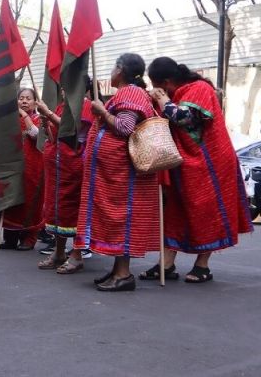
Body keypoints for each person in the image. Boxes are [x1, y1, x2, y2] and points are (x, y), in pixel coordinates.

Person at [145, 57, 253, 283]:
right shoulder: (175, 94)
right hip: (180, 165)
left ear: (166, 81)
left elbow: (184, 118)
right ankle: (166, 264)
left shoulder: (199, 89)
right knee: (173, 212)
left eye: (157, 85)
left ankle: (202, 266)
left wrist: (164, 102)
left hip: (211, 164)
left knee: (208, 212)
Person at [75, 53, 159, 292]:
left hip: (124, 177)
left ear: (120, 70)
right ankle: (116, 270)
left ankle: (123, 274)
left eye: (113, 66)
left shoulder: (131, 92)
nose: (110, 72)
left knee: (122, 218)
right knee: (114, 219)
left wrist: (102, 112)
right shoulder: (128, 93)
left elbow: (125, 127)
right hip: (112, 174)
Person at [36, 77, 94, 273]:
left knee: (75, 209)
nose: (63, 91)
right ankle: (59, 252)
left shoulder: (86, 106)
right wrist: (47, 124)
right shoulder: (62, 107)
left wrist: (49, 113)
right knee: (56, 208)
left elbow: (72, 132)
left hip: (74, 168)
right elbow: (56, 136)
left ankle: (76, 255)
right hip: (57, 169)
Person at [0, 87, 44, 250]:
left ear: (35, 102)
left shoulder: (39, 118)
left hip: (32, 169)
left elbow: (36, 135)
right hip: (11, 167)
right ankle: (10, 238)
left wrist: (24, 115)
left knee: (28, 202)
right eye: (21, 98)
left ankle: (29, 239)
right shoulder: (10, 120)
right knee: (9, 200)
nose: (24, 101)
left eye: (28, 98)